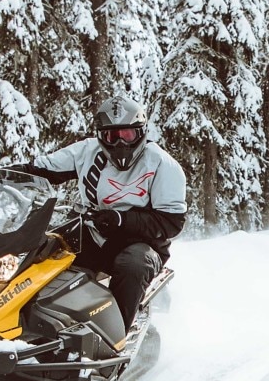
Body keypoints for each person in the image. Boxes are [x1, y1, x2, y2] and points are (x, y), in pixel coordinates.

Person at [16, 94, 187, 333]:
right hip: (93, 233)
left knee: (132, 265)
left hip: (143, 244)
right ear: (100, 136)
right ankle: (30, 324)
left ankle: (115, 334)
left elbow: (171, 222)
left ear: (141, 132)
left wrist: (122, 220)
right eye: (111, 136)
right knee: (44, 252)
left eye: (127, 135)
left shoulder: (161, 164)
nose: (120, 144)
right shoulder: (87, 151)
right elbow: (43, 168)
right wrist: (8, 174)